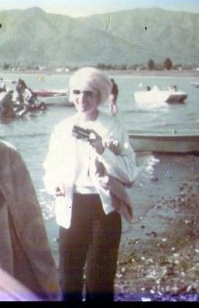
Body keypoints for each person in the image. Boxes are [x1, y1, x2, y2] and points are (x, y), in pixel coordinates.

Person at [43, 67, 139, 302]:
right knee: (69, 278)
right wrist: (53, 184)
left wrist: (102, 150)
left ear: (100, 97)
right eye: (76, 92)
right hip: (71, 205)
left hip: (104, 207)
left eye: (89, 93)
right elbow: (50, 167)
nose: (82, 99)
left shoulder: (114, 127)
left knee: (100, 279)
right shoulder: (62, 128)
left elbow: (130, 174)